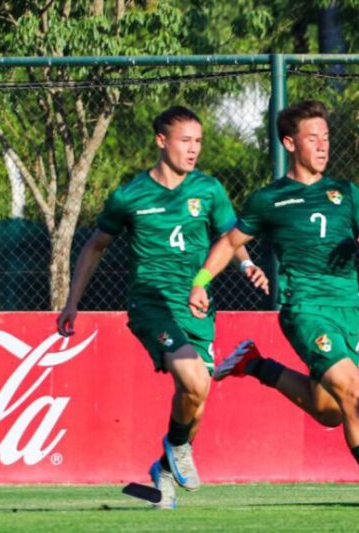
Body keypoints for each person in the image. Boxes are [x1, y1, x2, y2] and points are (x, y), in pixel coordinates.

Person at [188, 99, 359, 511]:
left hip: (346, 310)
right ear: (290, 143)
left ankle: (255, 365)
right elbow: (230, 242)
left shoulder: (347, 193)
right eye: (312, 138)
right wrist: (200, 282)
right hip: (304, 309)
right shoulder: (270, 199)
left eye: (326, 137)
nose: (322, 145)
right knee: (353, 391)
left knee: (330, 411)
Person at [56, 106, 267, 509]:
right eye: (185, 141)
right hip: (151, 302)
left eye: (198, 141)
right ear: (161, 141)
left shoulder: (208, 190)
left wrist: (247, 265)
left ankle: (164, 472)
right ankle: (178, 449)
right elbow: (95, 247)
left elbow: (230, 238)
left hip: (197, 305)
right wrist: (72, 302)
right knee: (194, 380)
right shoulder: (130, 195)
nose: (193, 149)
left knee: (196, 398)